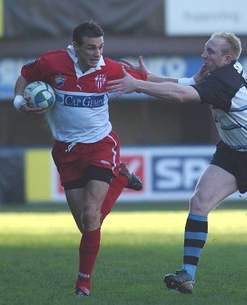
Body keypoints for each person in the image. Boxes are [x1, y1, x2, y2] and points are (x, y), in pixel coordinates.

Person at [107, 32, 247, 294]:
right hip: (230, 154)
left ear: (226, 58)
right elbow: (187, 83)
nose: (204, 55)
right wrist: (146, 78)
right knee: (199, 202)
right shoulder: (222, 73)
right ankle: (187, 275)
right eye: (205, 49)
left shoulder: (225, 81)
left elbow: (180, 95)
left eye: (210, 51)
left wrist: (138, 86)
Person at [13, 20, 147, 297]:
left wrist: (171, 79)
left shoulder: (108, 68)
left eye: (100, 47)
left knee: (90, 215)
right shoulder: (52, 63)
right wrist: (19, 103)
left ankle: (82, 284)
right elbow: (25, 75)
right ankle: (120, 179)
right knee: (85, 224)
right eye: (90, 47)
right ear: (75, 46)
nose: (97, 53)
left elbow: (146, 81)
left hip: (100, 146)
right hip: (66, 151)